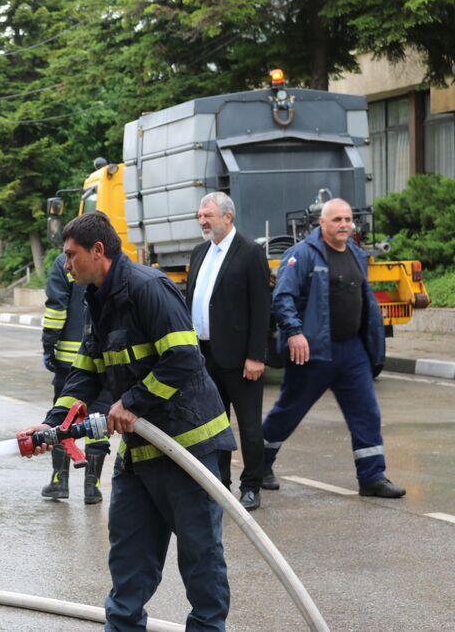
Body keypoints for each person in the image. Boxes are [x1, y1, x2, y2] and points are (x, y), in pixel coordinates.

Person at [20, 211, 235, 631]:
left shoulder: (147, 288)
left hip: (187, 448)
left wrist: (133, 401)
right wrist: (53, 424)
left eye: (72, 255)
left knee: (200, 559)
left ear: (97, 251)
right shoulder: (96, 299)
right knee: (128, 559)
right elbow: (86, 371)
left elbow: (184, 357)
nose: (66, 264)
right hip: (139, 454)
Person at [261, 198, 405, 498]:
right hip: (313, 353)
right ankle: (259, 465)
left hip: (352, 352)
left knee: (367, 413)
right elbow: (283, 297)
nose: (343, 225)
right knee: (288, 412)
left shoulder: (355, 253)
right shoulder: (301, 254)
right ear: (322, 223)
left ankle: (372, 477)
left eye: (347, 219)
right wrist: (294, 333)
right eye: (337, 219)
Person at [185, 192, 271, 512]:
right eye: (200, 216)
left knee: (249, 426)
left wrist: (256, 355)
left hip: (240, 358)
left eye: (208, 215)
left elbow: (261, 308)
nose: (202, 221)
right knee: (214, 426)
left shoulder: (249, 253)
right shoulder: (199, 252)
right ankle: (219, 484)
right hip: (205, 356)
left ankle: (251, 486)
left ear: (228, 217)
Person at [41, 252, 111, 504]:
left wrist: (49, 345)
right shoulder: (108, 262)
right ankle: (92, 487)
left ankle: (59, 481)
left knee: (63, 419)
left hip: (70, 362)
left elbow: (56, 308)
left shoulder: (63, 262)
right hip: (105, 360)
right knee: (99, 419)